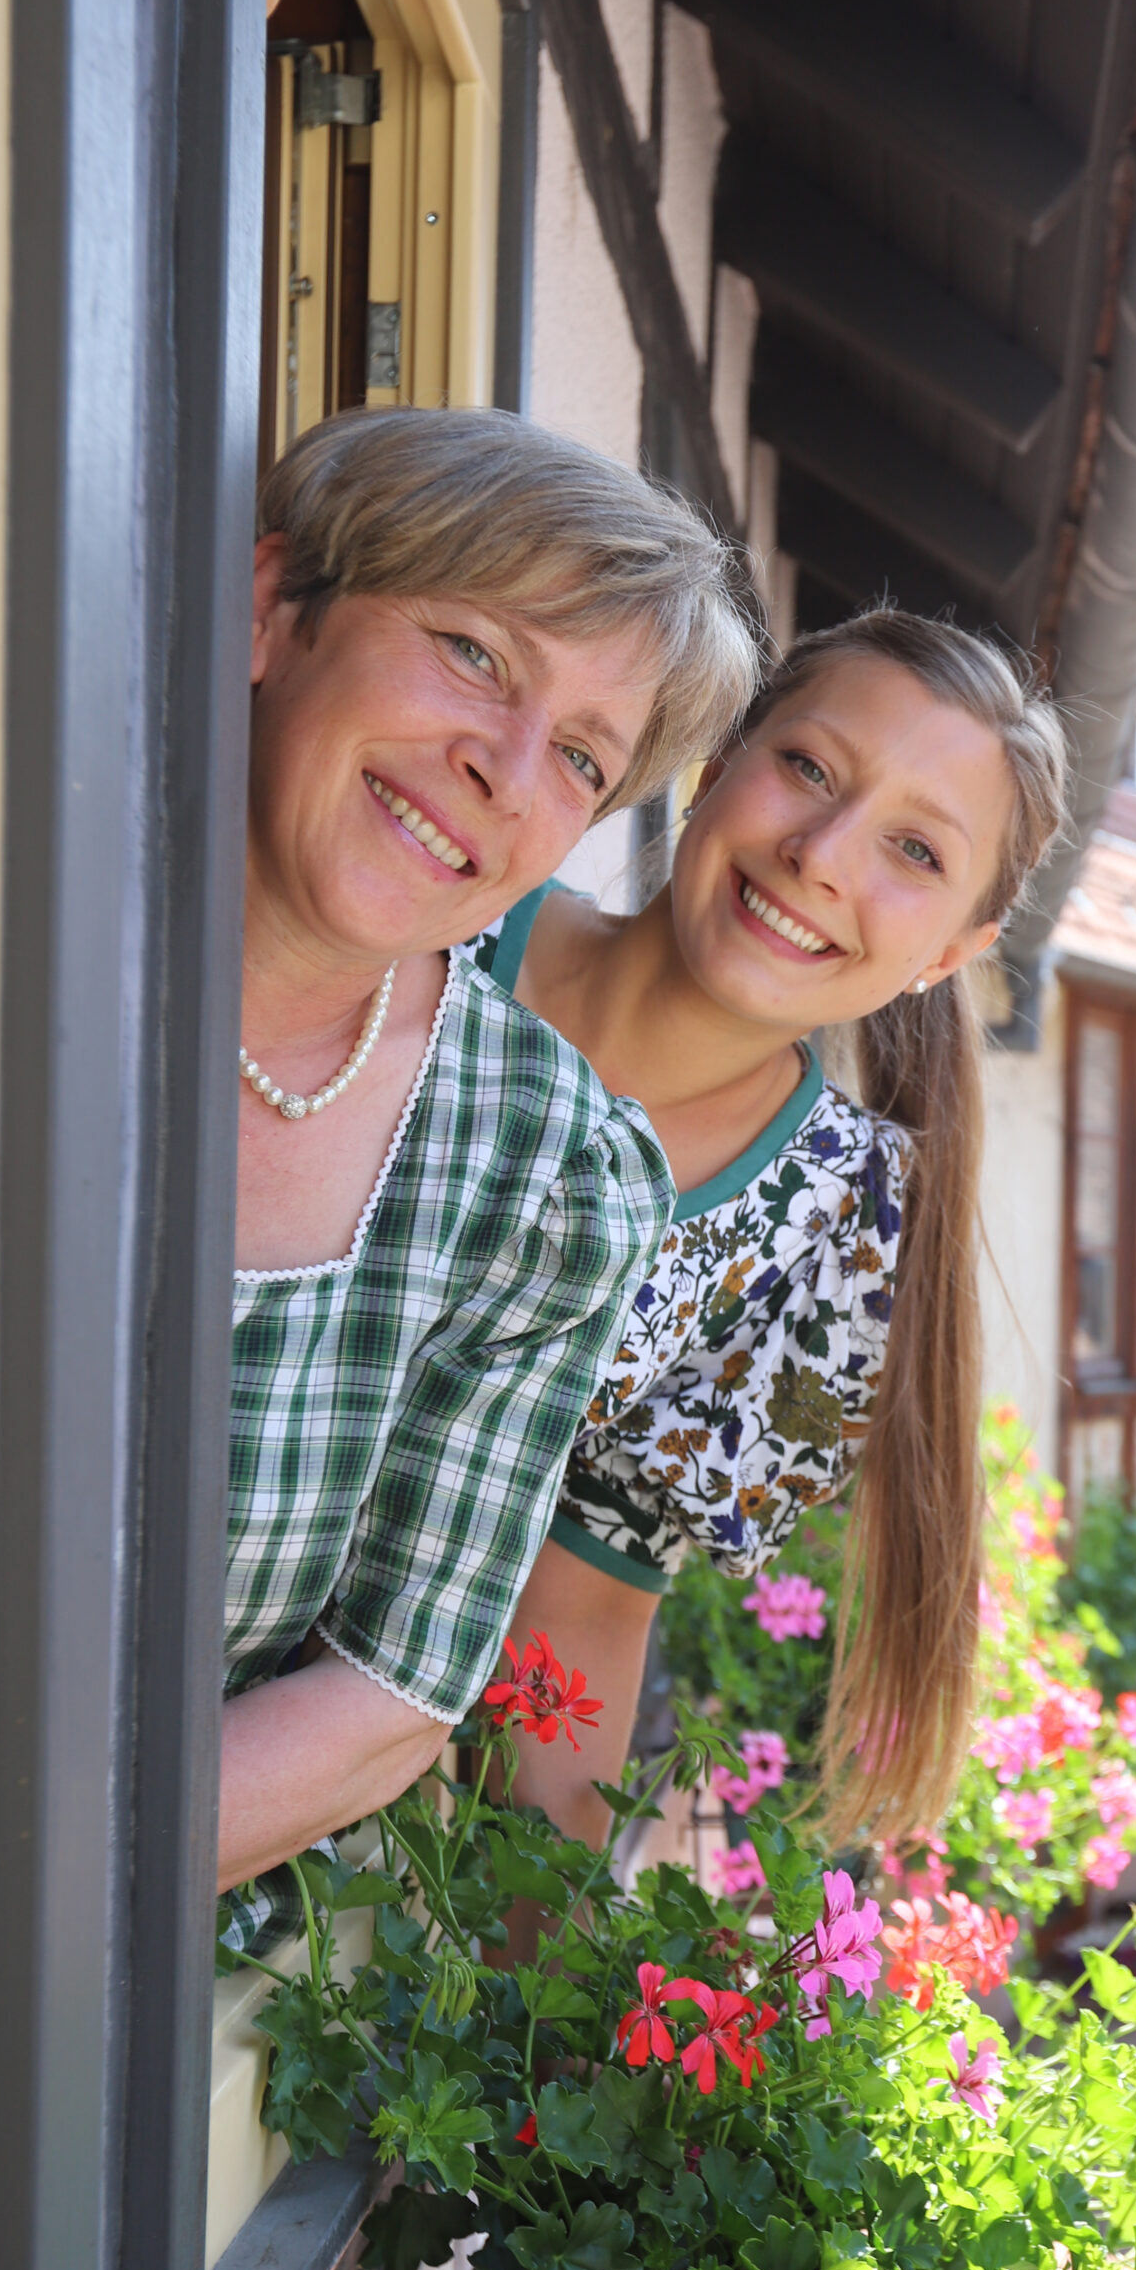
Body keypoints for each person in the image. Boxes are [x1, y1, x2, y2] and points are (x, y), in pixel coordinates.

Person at [218, 406, 759, 1950]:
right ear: (273, 610)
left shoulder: (547, 1173)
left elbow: (392, 1693)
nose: (503, 766)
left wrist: (1, 1892)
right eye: (472, 653)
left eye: (582, 757)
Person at [463, 610, 1067, 1852]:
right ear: (716, 759)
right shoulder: (447, 917)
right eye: (806, 768)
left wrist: (541, 2014)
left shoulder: (823, 1240)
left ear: (950, 950)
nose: (823, 855)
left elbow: (573, 1625)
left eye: (912, 847)